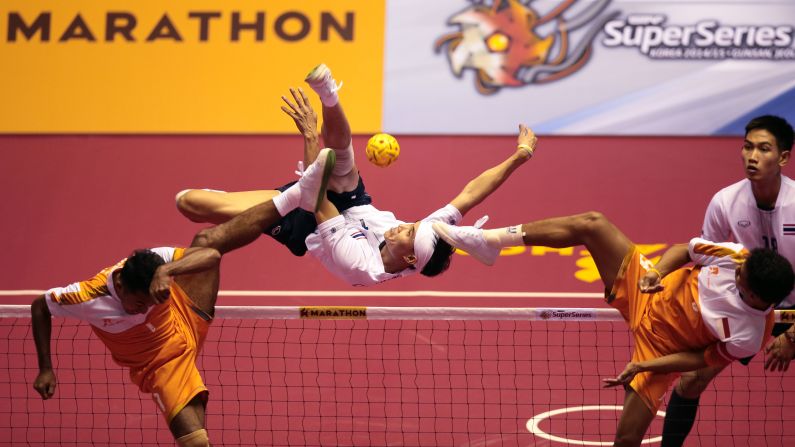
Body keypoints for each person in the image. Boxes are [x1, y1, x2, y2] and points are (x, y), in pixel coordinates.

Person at [28, 155, 332, 447]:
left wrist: (167, 271)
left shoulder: (152, 262)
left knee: (205, 241)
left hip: (184, 314)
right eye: (138, 303)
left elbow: (210, 256)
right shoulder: (84, 296)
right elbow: (40, 305)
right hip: (160, 362)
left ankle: (296, 196)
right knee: (195, 440)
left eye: (150, 301)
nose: (144, 308)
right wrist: (45, 367)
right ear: (119, 285)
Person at [432, 212, 794, 447]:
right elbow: (685, 251)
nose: (735, 280)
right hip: (649, 290)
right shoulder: (736, 258)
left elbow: (699, 358)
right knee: (593, 223)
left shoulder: (751, 335)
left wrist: (644, 367)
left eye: (740, 283)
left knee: (627, 439)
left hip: (661, 351)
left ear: (756, 296)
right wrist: (656, 272)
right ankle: (491, 242)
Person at [176, 64, 537, 286]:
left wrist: (309, 136)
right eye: (411, 225)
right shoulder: (425, 238)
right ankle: (329, 94)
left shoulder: (360, 265)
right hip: (351, 201)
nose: (403, 225)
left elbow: (314, 198)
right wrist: (519, 157)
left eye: (407, 233)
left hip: (307, 223)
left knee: (190, 203)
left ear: (410, 259)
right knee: (342, 165)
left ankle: (236, 200)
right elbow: (471, 194)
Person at [659, 115, 795, 447]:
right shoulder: (725, 202)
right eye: (748, 147)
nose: (752, 156)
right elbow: (705, 257)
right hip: (750, 305)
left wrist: (792, 335)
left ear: (783, 157)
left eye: (764, 149)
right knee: (690, 382)